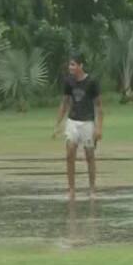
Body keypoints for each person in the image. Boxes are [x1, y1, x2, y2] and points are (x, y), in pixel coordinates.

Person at [52, 53, 103, 201]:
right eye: (70, 65)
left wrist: (99, 128)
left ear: (81, 65)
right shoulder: (68, 81)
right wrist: (57, 125)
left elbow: (99, 106)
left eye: (73, 64)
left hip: (88, 123)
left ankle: (92, 189)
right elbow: (64, 103)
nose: (70, 67)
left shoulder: (92, 82)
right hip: (72, 121)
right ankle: (71, 190)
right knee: (69, 155)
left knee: (89, 156)